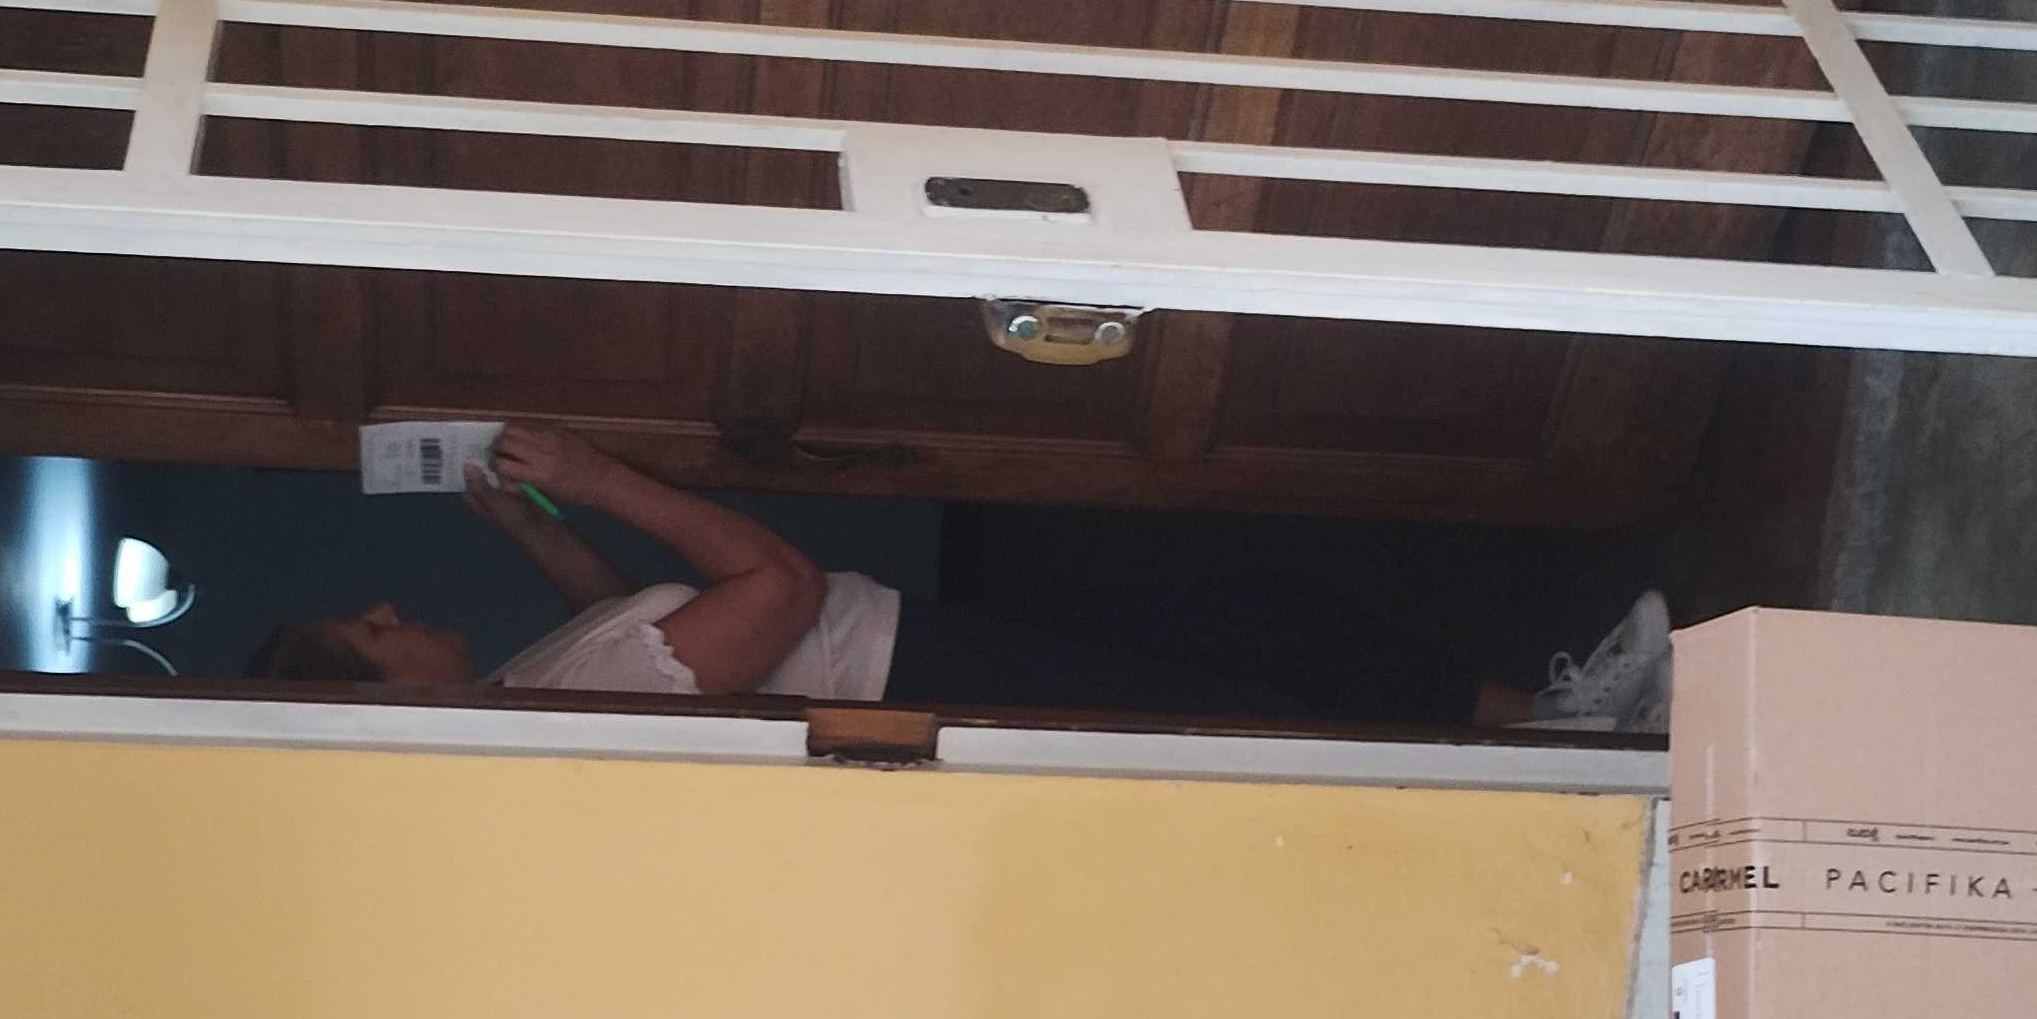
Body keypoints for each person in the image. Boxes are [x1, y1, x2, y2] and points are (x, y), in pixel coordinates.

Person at [252, 423, 1668, 728]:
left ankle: (1535, 721)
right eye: (368, 634)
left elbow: (635, 636)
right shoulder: (553, 714)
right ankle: (1549, 734)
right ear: (386, 696)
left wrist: (538, 529)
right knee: (1239, 679)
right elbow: (773, 586)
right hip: (926, 674)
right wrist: (609, 479)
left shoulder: (527, 696)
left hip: (925, 655)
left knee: (1239, 642)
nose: (386, 611)